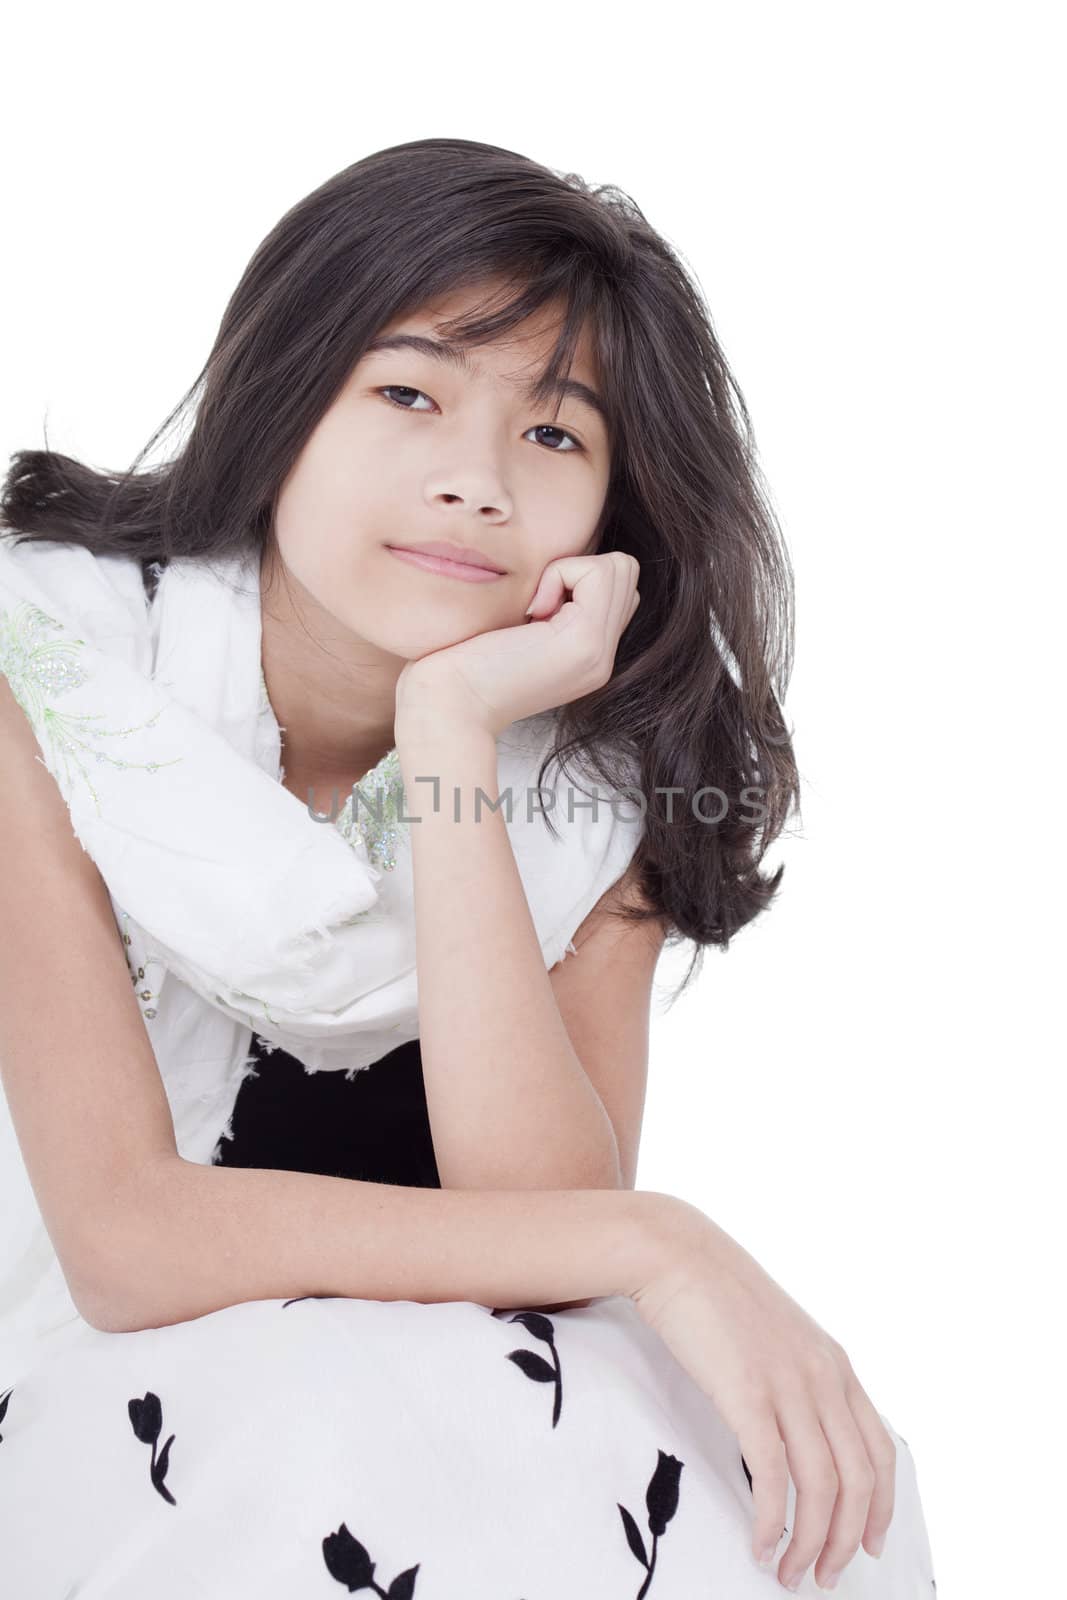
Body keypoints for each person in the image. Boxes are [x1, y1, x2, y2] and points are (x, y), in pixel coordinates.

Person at [0, 138, 937, 1597]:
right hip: (107, 1410)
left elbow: (539, 1223)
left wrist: (451, 732)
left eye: (555, 437)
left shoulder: (600, 774)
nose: (476, 484)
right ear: (281, 395)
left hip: (437, 1428)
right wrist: (664, 1240)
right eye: (409, 394)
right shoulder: (44, 671)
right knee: (316, 1439)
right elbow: (121, 1237)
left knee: (775, 1487)